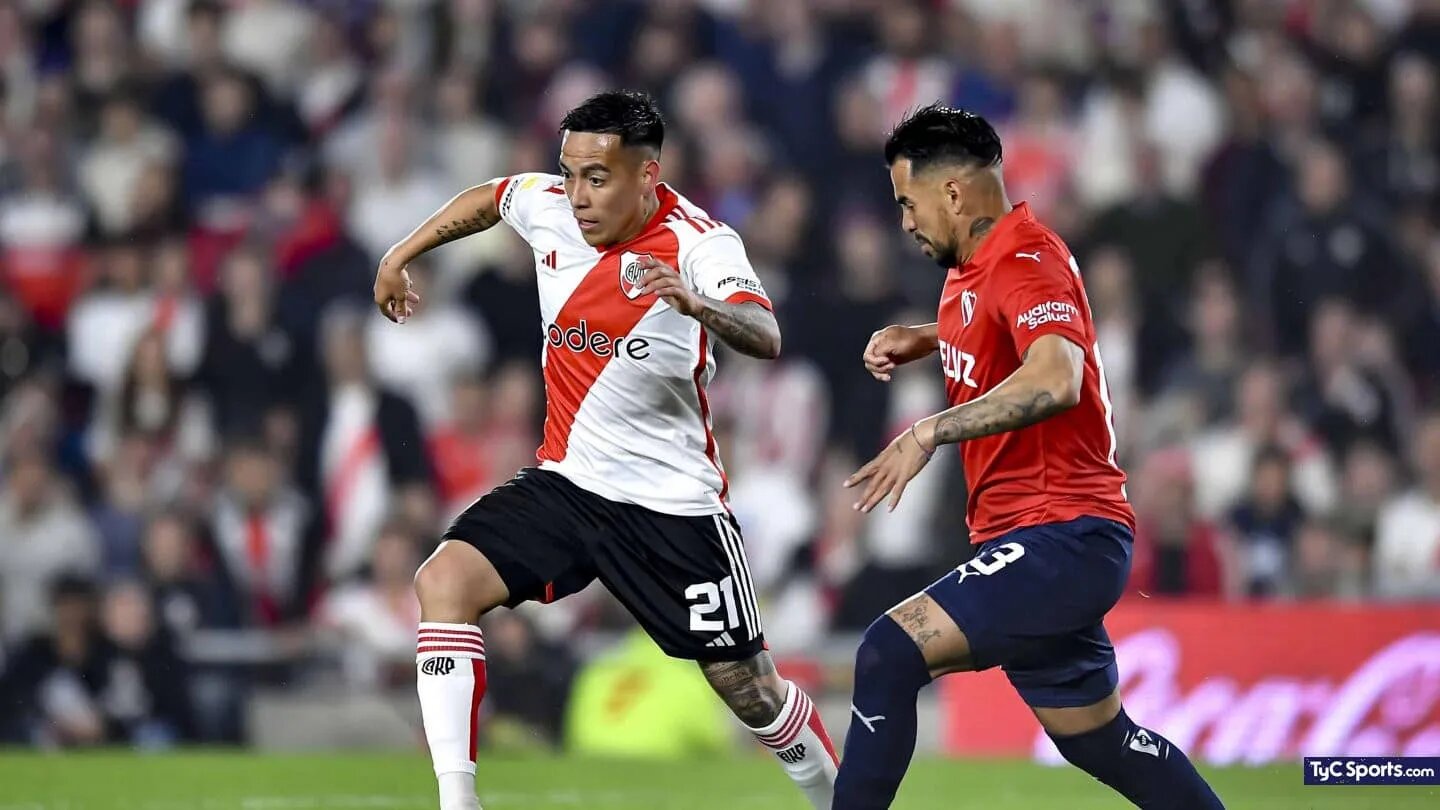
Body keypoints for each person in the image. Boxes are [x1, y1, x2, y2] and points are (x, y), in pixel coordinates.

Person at [372, 90, 836, 810]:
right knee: (444, 582)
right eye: (569, 173)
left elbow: (765, 334)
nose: (578, 195)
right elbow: (492, 198)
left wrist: (697, 304)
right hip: (569, 484)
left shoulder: (702, 243)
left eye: (597, 177)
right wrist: (401, 253)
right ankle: (458, 803)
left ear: (648, 175)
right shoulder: (549, 207)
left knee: (750, 690)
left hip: (672, 506)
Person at [833, 104, 1225, 809]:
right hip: (1039, 538)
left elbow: (1055, 378)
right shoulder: (978, 265)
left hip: (1062, 536)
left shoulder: (1025, 259)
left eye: (908, 202)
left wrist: (928, 432)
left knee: (887, 652)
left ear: (954, 193)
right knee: (1098, 739)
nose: (905, 222)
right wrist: (926, 335)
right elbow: (997, 320)